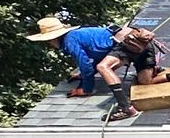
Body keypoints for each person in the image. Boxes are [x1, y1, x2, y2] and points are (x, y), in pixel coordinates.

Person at [27, 15, 162, 120]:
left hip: (128, 43)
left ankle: (126, 108)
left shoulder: (69, 41)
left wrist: (85, 89)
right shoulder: (79, 34)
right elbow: (98, 56)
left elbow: (86, 65)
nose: (50, 44)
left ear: (54, 38)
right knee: (146, 81)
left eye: (49, 41)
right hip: (142, 42)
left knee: (103, 67)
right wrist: (83, 76)